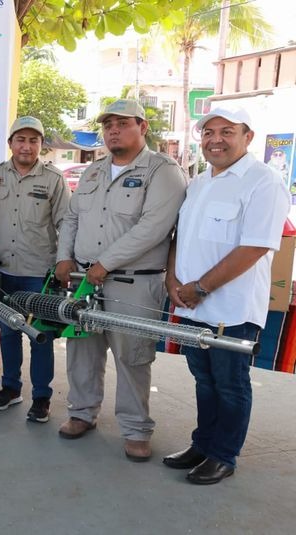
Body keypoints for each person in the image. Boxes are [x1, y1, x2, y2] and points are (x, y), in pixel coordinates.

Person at [54, 99, 186, 461]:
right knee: (82, 349)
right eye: (108, 123)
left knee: (133, 357)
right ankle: (81, 413)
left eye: (122, 123)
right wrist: (63, 257)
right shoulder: (94, 171)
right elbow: (71, 217)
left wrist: (104, 264)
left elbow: (153, 228)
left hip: (133, 283)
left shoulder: (162, 170)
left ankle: (136, 429)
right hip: (83, 279)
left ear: (142, 127)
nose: (112, 129)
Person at [164, 107, 289, 484]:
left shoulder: (263, 182)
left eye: (227, 131)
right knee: (204, 379)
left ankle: (223, 455)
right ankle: (203, 444)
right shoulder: (200, 182)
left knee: (230, 383)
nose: (215, 139)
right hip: (191, 305)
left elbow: (254, 248)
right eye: (208, 132)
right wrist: (172, 280)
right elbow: (179, 238)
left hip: (231, 310)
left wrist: (201, 287)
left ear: (247, 137)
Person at [0, 116, 70, 423]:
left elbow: (66, 222)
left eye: (34, 140)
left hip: (39, 270)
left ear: (41, 145)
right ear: (10, 143)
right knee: (9, 332)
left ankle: (42, 397)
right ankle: (11, 388)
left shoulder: (53, 179)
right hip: (2, 270)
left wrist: (65, 260)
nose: (27, 146)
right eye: (21, 140)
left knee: (40, 335)